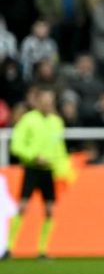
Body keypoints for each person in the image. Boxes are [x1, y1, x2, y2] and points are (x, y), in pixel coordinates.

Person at [4, 85, 71, 260]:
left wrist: (63, 168)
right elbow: (16, 145)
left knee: (50, 209)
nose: (48, 104)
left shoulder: (57, 122)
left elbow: (59, 147)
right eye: (45, 101)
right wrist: (33, 157)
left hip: (49, 170)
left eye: (51, 101)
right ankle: (9, 248)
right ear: (38, 101)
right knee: (22, 206)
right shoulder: (28, 120)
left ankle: (42, 250)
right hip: (32, 168)